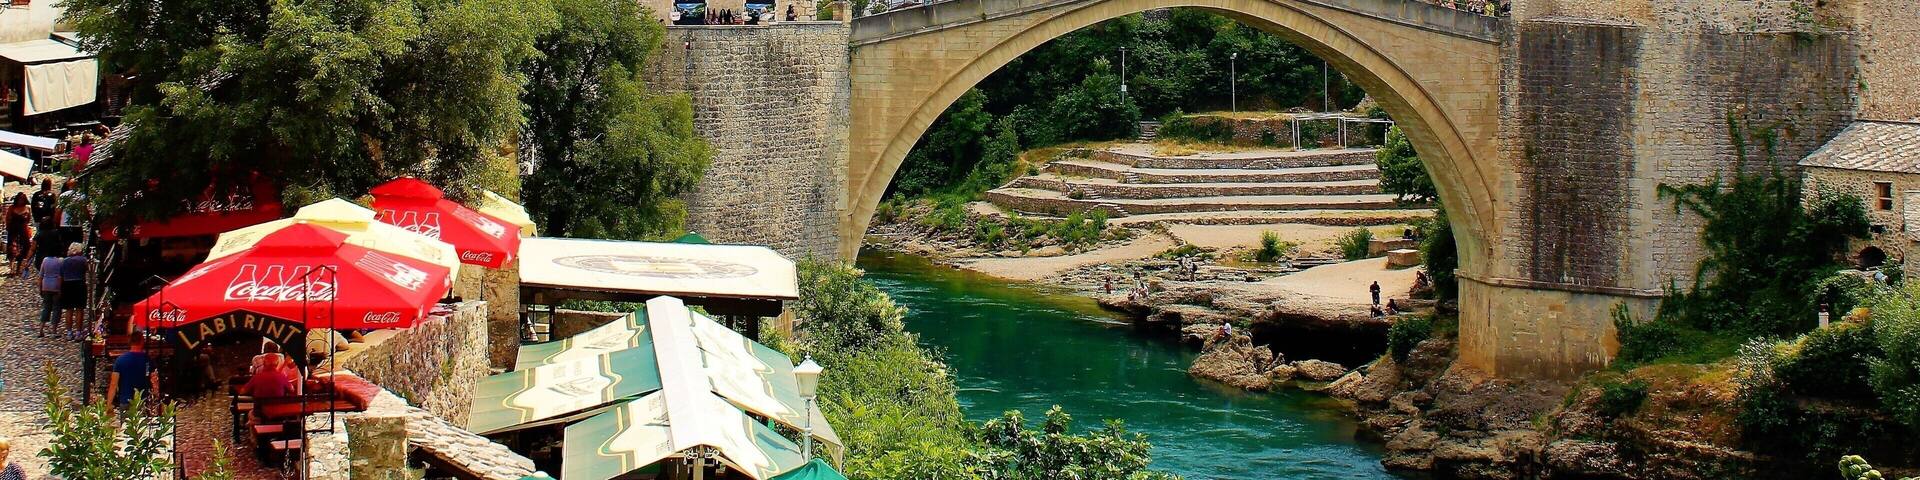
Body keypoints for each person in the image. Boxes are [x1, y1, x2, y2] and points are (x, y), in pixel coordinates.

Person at [107, 341, 157, 411]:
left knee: (125, 421)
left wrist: (109, 403)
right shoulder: (147, 360)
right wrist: (156, 395)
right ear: (141, 343)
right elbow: (154, 378)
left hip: (125, 400)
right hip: (142, 400)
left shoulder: (120, 360)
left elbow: (113, 384)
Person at [58, 243, 87, 340]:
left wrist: (60, 288)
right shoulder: (82, 260)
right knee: (79, 309)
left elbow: (61, 276)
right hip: (79, 284)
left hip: (67, 285)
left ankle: (69, 332)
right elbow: (87, 270)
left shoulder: (64, 261)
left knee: (69, 310)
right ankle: (78, 332)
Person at [36, 247, 61, 338]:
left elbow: (41, 275)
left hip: (46, 285)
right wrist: (59, 289)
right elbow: (59, 276)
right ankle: (53, 331)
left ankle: (41, 329)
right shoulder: (58, 261)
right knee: (56, 308)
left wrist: (40, 288)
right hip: (55, 286)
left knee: (46, 307)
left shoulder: (45, 260)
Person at [5, 194, 30, 276]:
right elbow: (7, 219)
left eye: (22, 199)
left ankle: (18, 268)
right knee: (12, 249)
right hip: (13, 231)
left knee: (23, 250)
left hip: (23, 231)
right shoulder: (12, 208)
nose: (21, 201)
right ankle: (11, 269)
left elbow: (28, 220)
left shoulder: (27, 208)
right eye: (19, 199)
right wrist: (8, 228)